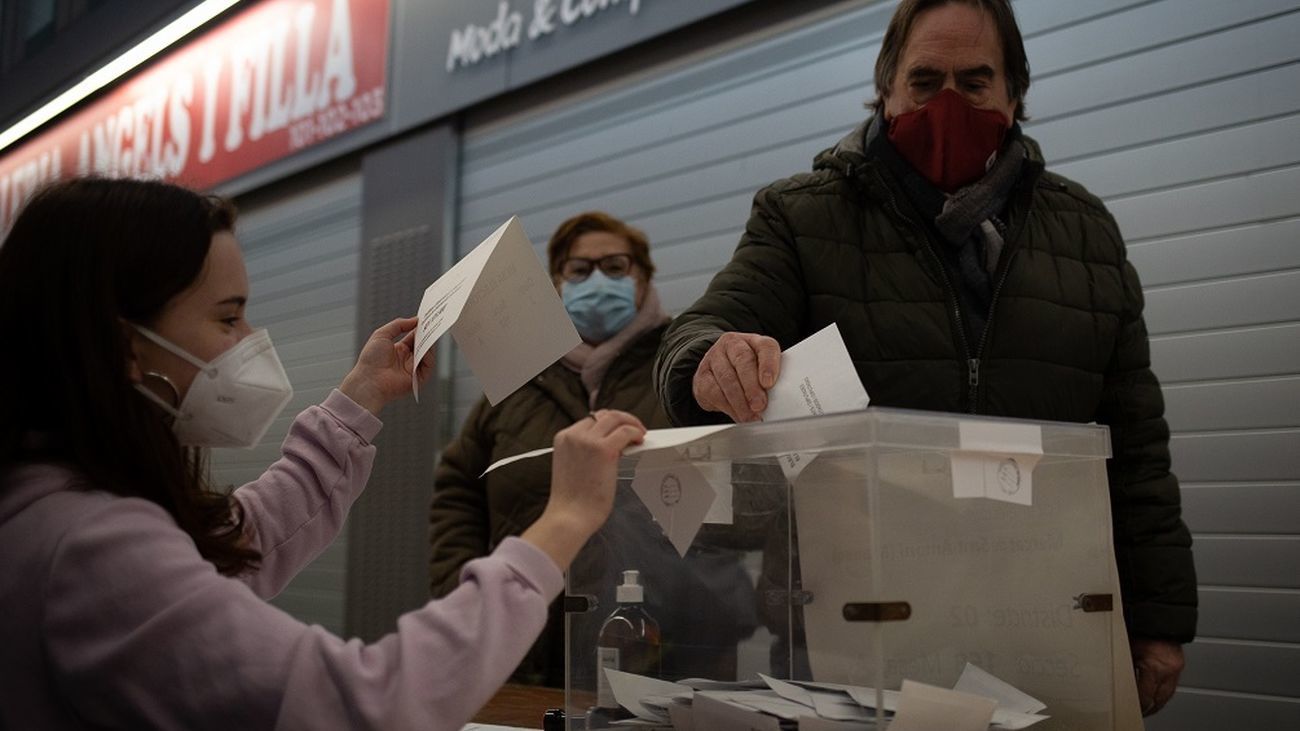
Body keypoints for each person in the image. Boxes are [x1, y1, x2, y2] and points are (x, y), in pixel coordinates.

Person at [653, 0, 1195, 716]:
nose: (947, 104)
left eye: (974, 83)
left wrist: (1158, 619)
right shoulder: (803, 216)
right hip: (853, 633)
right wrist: (707, 358)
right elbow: (701, 330)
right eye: (924, 80)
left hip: (1040, 622)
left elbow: (1136, 446)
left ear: (1015, 94)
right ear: (885, 87)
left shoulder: (1085, 232)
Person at [0, 177, 646, 731]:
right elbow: (368, 705)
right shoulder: (90, 544)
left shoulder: (56, 504)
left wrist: (359, 399)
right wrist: (561, 523)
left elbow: (231, 547)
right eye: (228, 318)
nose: (250, 339)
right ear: (127, 348)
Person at [429, 211, 758, 687]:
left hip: (675, 656)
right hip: (527, 650)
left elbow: (747, 498)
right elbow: (458, 486)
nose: (597, 279)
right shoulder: (516, 381)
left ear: (643, 277)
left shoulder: (689, 373)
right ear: (556, 284)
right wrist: (463, 593)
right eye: (579, 270)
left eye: (616, 266)